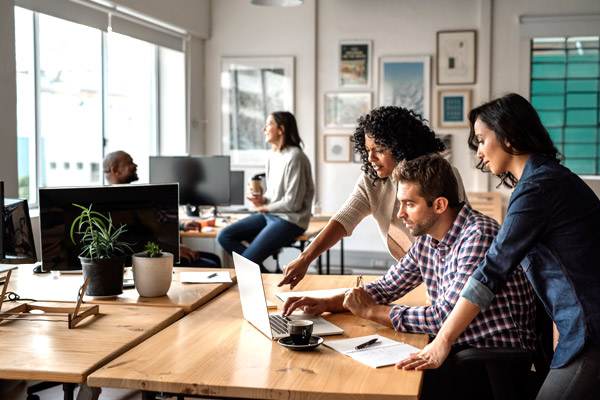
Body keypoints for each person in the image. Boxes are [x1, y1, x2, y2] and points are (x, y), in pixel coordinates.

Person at [397, 93, 600, 400]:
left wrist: (443, 340)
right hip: (580, 328)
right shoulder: (543, 181)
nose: (479, 153)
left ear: (509, 136)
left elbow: (491, 270)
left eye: (481, 140)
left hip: (591, 331)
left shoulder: (537, 189)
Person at [283, 154, 536, 400]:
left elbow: (442, 317)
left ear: (439, 205)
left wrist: (372, 312)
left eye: (409, 204)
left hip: (488, 361)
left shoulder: (478, 235)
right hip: (456, 349)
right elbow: (388, 286)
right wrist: (329, 303)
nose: (400, 214)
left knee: (372, 383)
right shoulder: (429, 238)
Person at [279, 106, 467, 289]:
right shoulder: (373, 180)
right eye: (368, 150)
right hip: (411, 273)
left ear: (402, 146)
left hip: (449, 271)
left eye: (379, 149)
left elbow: (455, 236)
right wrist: (305, 259)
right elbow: (344, 219)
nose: (370, 158)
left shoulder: (439, 175)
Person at [217, 111, 314, 272]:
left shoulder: (296, 157)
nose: (264, 128)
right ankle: (265, 275)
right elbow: (274, 196)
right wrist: (262, 199)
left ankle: (258, 274)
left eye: (268, 124)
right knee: (224, 236)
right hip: (270, 215)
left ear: (281, 129)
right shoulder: (272, 155)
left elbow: (293, 203)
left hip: (290, 220)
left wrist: (264, 208)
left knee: (247, 261)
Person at [102, 151, 217, 267]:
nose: (135, 165)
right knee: (211, 264)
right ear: (115, 170)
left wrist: (182, 228)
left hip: (156, 249)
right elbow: (135, 243)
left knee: (214, 258)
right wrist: (172, 250)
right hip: (145, 259)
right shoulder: (114, 204)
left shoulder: (132, 197)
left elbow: (153, 226)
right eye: (129, 163)